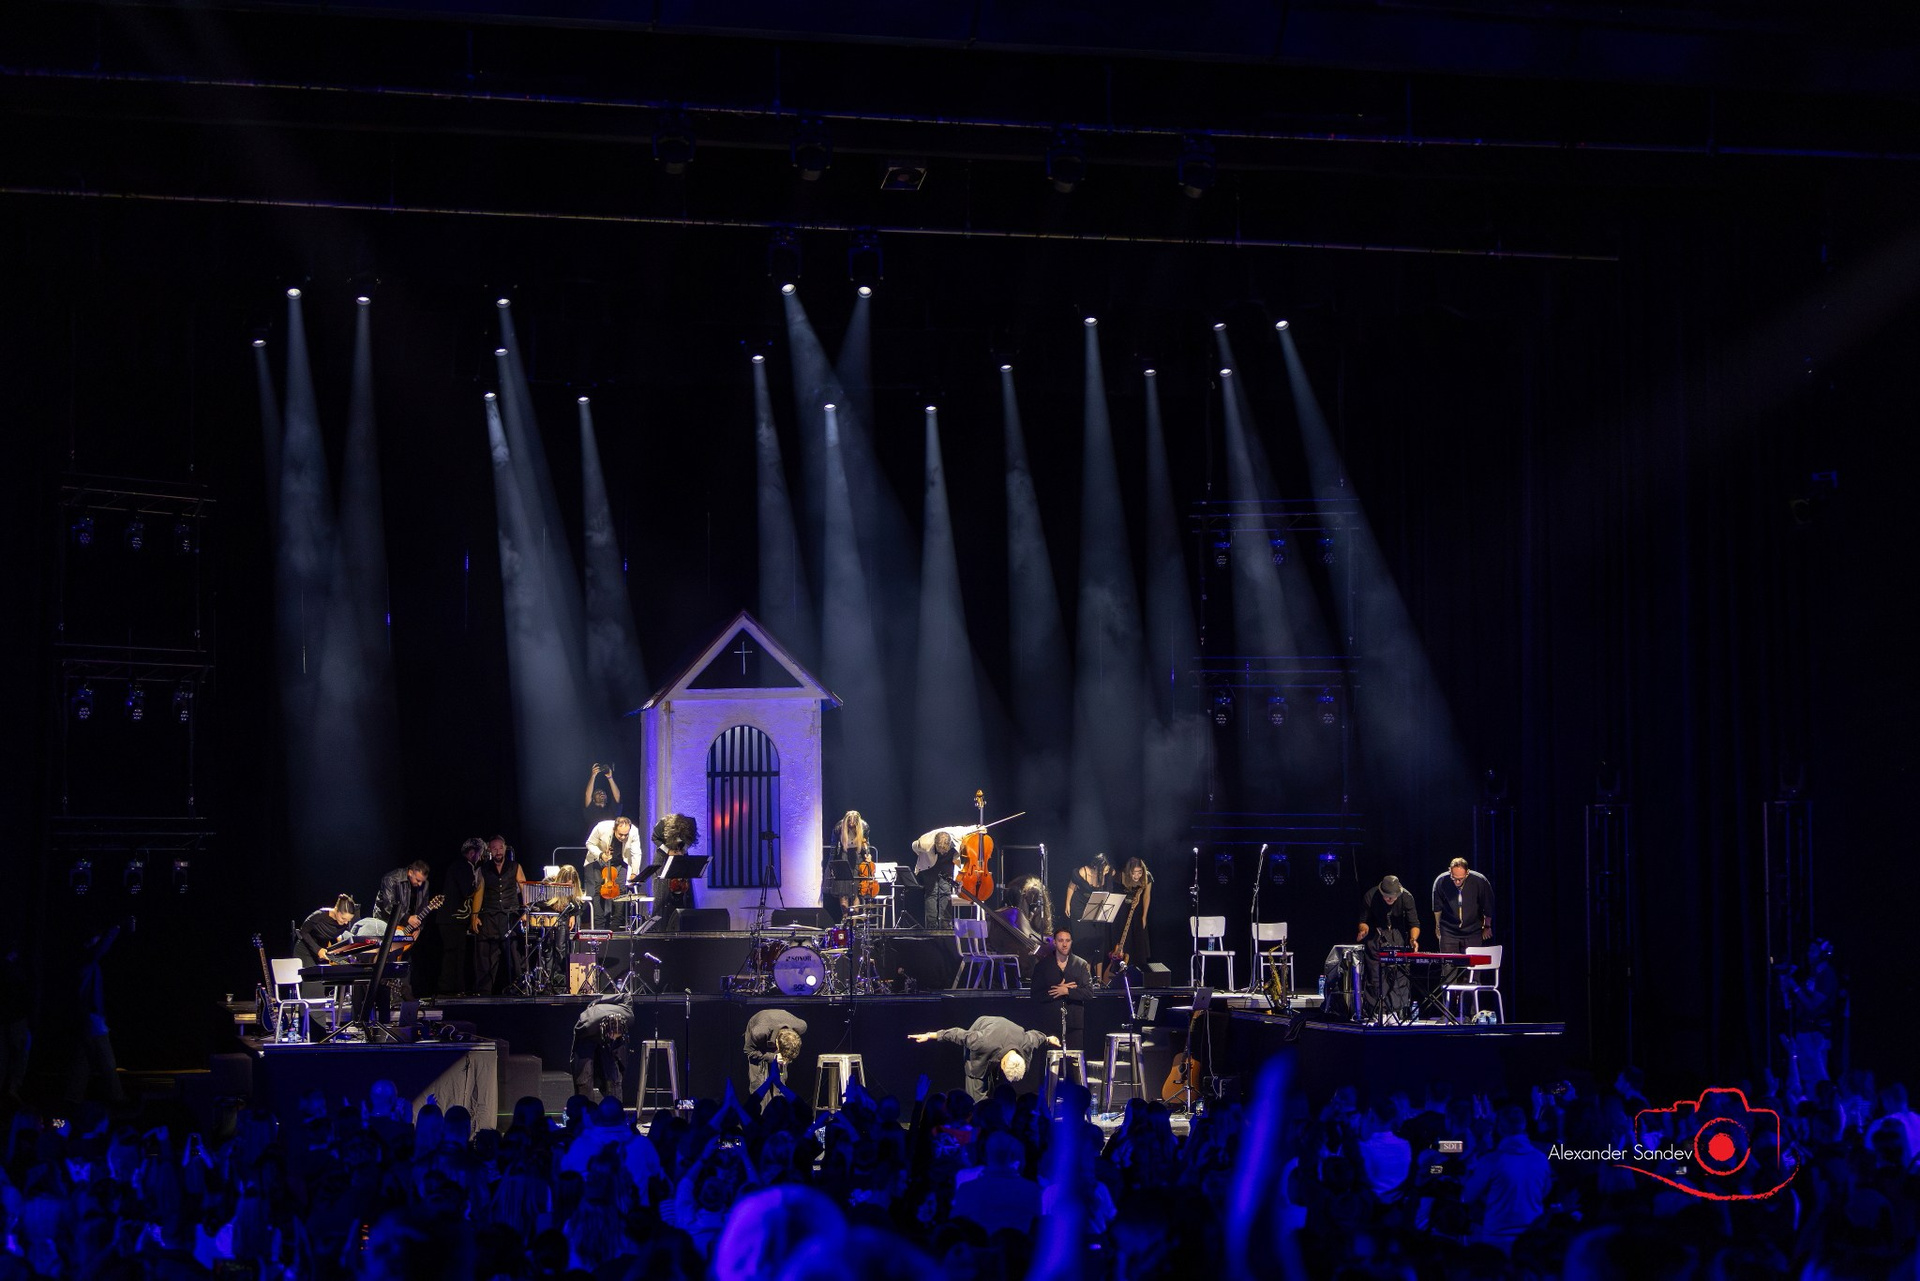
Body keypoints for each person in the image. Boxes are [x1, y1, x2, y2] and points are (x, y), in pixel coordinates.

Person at [908, 1015, 1060, 1101]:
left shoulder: (1025, 1043)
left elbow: (1037, 1036)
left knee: (997, 1087)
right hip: (984, 1026)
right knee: (977, 1084)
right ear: (1003, 1063)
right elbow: (957, 1034)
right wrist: (930, 1035)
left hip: (1006, 1034)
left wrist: (1049, 1039)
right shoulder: (981, 1041)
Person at [1461, 1104, 1551, 1247]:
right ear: (1524, 1125)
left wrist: (1466, 1174)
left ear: (1499, 1129)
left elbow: (1467, 1197)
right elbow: (1543, 1192)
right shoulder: (1541, 1159)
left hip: (1497, 1238)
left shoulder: (1491, 1160)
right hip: (1531, 1237)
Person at [949, 1130, 1042, 1236]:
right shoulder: (1032, 1190)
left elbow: (956, 1227)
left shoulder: (967, 1190)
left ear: (986, 1154)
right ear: (1013, 1156)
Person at [1357, 875, 1420, 1021]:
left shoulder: (1407, 897)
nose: (1389, 899)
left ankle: (1394, 1011)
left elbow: (1414, 923)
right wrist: (1363, 930)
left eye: (1392, 897)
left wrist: (1413, 939)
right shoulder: (1371, 896)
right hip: (1376, 935)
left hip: (1397, 936)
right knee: (1376, 975)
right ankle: (1378, 1011)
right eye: (1386, 896)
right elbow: (1363, 921)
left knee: (1399, 975)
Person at [473, 836, 526, 996]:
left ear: (505, 848)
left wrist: (526, 911)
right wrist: (474, 915)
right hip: (490, 916)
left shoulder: (515, 866)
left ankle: (519, 989)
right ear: (490, 850)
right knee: (487, 958)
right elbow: (479, 892)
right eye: (494, 848)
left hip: (510, 917)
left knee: (514, 956)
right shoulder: (484, 869)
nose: (498, 851)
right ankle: (484, 992)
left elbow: (523, 887)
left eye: (500, 848)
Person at [1431, 857, 1493, 985]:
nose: (1457, 882)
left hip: (1473, 931)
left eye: (1461, 879)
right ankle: (1448, 998)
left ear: (1467, 873)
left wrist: (1487, 926)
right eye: (1454, 878)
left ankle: (1470, 998)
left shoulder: (1479, 881)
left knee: (1472, 974)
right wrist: (1438, 927)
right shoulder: (1441, 881)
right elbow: (1437, 908)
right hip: (1449, 931)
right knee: (1448, 972)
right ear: (1450, 871)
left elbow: (1488, 905)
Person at [1030, 927, 1093, 1052]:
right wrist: (1056, 991)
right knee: (1052, 1059)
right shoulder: (1042, 965)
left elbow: (1089, 993)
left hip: (1074, 1024)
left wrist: (1067, 991)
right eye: (1061, 940)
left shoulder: (1081, 964)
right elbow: (1035, 995)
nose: (1064, 944)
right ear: (1054, 942)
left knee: (1074, 1059)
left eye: (1067, 941)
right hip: (1050, 1023)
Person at [437, 838, 485, 996]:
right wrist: (477, 881)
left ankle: (454, 988)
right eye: (480, 854)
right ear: (472, 853)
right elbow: (467, 891)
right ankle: (451, 989)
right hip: (452, 919)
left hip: (453, 919)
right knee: (454, 954)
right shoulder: (463, 867)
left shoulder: (460, 866)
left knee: (456, 953)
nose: (481, 858)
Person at [585, 815, 646, 927]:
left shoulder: (634, 831)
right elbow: (589, 843)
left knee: (621, 891)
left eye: (625, 835)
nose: (623, 837)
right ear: (614, 829)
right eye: (620, 834)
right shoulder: (601, 827)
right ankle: (599, 925)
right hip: (600, 859)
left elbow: (636, 853)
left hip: (620, 861)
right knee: (599, 891)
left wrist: (634, 873)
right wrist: (601, 855)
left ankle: (616, 925)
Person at [570, 996, 631, 1103]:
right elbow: (577, 1050)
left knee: (613, 1076)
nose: (613, 1038)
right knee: (584, 1077)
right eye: (612, 1036)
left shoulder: (628, 1016)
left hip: (606, 1028)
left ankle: (614, 1105)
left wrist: (599, 1000)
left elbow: (626, 996)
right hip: (587, 1036)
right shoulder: (586, 1025)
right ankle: (586, 1107)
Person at [744, 1008, 808, 1108]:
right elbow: (749, 1052)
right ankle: (761, 1112)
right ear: (777, 1044)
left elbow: (786, 1054)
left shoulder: (801, 1026)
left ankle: (779, 1109)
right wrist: (773, 1056)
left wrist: (783, 1060)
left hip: (776, 1028)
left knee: (780, 1078)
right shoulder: (758, 1032)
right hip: (760, 1038)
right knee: (759, 1081)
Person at [1103, 857, 1153, 980]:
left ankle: (1137, 972)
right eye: (1134, 872)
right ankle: (1117, 971)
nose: (1137, 876)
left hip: (1137, 910)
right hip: (1122, 910)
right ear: (1129, 871)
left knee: (1138, 941)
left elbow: (1147, 896)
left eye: (1139, 872)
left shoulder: (1147, 877)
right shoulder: (1121, 876)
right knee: (1122, 940)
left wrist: (1144, 916)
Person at [910, 827, 969, 924]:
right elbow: (914, 846)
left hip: (946, 863)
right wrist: (922, 854)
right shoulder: (925, 842)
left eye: (944, 850)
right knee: (931, 893)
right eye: (940, 850)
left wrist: (980, 828)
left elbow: (970, 829)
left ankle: (945, 924)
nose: (942, 852)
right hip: (930, 865)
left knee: (945, 892)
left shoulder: (956, 834)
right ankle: (931, 925)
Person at [296, 895, 358, 969]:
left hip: (322, 954)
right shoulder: (319, 915)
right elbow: (303, 932)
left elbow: (332, 936)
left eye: (348, 920)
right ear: (336, 909)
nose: (346, 922)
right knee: (312, 974)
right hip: (305, 950)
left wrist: (336, 951)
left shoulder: (344, 924)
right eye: (343, 918)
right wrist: (318, 950)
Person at [374, 860, 432, 933]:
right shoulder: (391, 878)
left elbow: (422, 908)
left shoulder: (425, 884)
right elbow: (388, 906)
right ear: (410, 873)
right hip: (385, 923)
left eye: (422, 881)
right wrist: (407, 918)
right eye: (418, 880)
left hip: (406, 928)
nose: (420, 884)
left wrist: (419, 928)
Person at [584, 762, 622, 829]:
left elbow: (617, 795)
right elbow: (587, 795)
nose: (601, 793)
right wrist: (593, 776)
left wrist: (610, 777)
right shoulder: (591, 810)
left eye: (603, 792)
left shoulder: (611, 809)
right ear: (593, 799)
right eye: (598, 793)